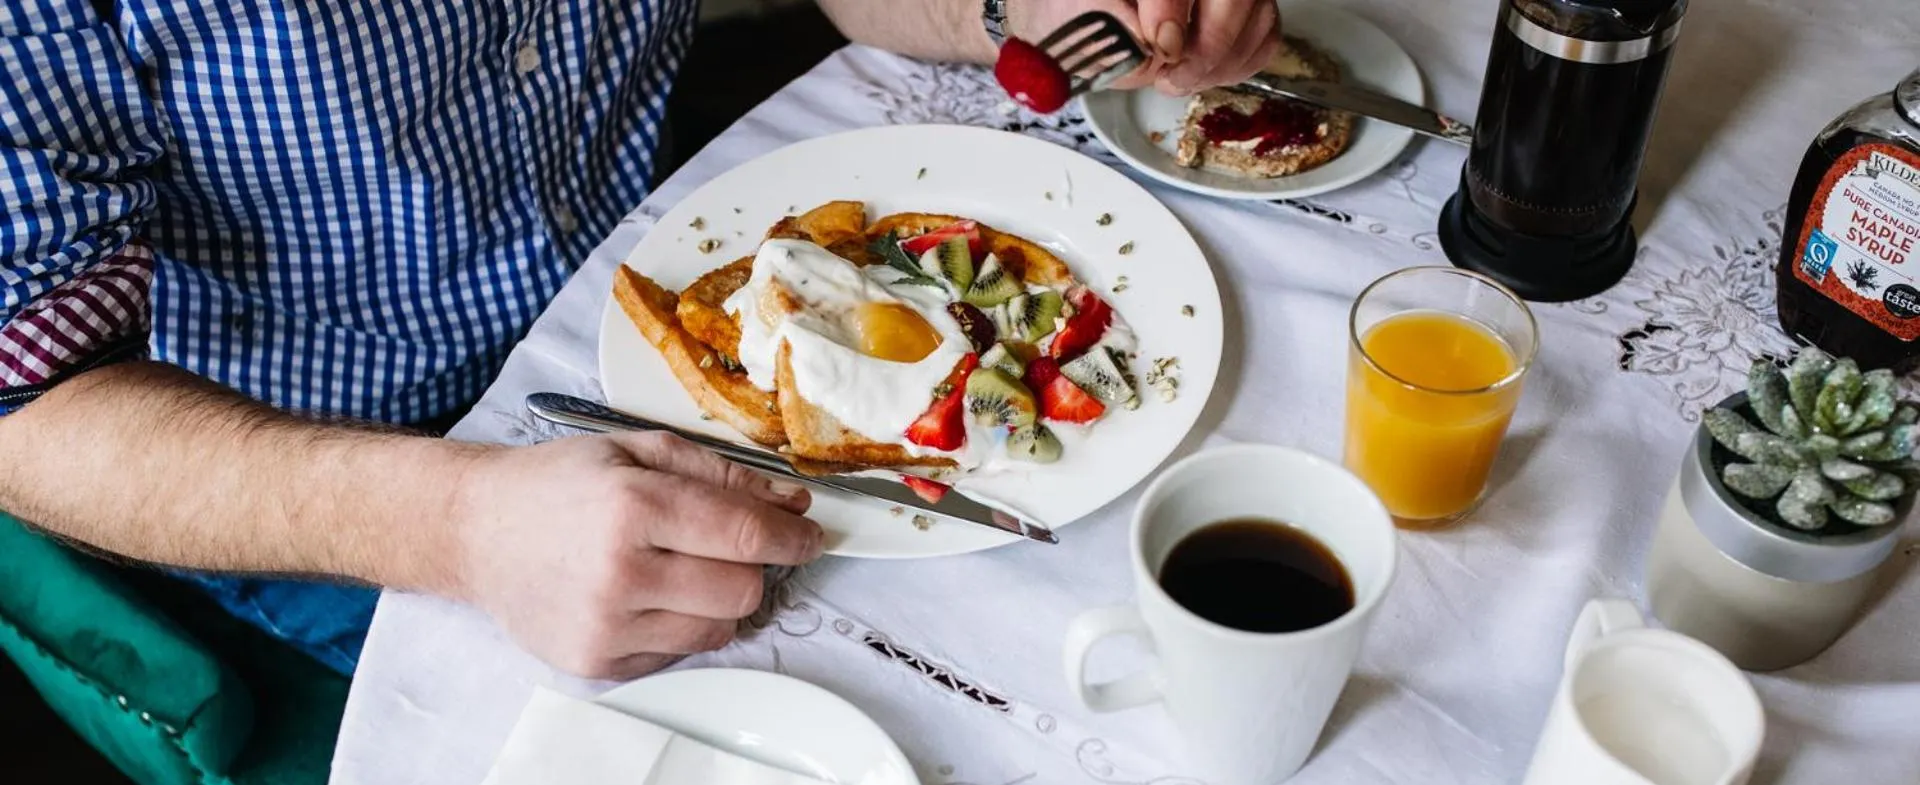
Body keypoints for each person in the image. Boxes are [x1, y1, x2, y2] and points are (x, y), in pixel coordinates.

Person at [0, 0, 1279, 680]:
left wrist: (1010, 0)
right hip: (354, 464)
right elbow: (28, 402)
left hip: (676, 299)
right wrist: (455, 522)